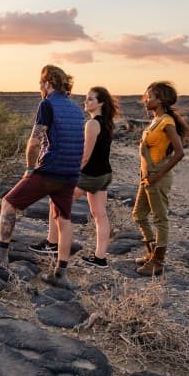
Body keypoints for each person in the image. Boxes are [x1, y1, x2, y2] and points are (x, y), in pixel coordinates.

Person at [0, 64, 87, 288]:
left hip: (50, 170)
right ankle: (61, 273)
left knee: (9, 203)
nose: (40, 88)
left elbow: (33, 143)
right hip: (70, 174)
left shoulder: (47, 104)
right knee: (64, 219)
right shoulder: (75, 109)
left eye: (41, 84)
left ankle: (1, 254)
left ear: (48, 84)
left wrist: (30, 169)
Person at [31, 86, 121, 267]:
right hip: (104, 175)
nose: (85, 102)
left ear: (101, 102)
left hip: (89, 176)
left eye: (90, 99)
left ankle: (52, 243)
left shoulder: (92, 124)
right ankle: (100, 258)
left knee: (55, 201)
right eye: (86, 99)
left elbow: (85, 156)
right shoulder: (107, 123)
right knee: (100, 215)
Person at [132, 80, 189, 276]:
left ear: (161, 99)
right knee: (138, 215)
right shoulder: (155, 121)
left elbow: (179, 152)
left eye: (150, 96)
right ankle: (151, 255)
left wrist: (159, 174)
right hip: (147, 177)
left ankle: (158, 262)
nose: (146, 99)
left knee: (159, 218)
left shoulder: (167, 122)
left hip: (157, 176)